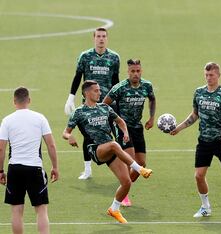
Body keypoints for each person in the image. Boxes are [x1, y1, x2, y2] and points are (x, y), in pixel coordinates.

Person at [63, 80, 152, 224]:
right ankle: (140, 169)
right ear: (86, 93)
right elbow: (65, 132)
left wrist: (125, 132)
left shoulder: (105, 108)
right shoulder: (78, 112)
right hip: (95, 149)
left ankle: (114, 209)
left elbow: (120, 121)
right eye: (96, 90)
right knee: (114, 145)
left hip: (110, 149)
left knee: (127, 182)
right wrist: (70, 137)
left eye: (99, 90)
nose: (99, 93)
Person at [171, 62, 221, 219]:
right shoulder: (199, 92)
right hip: (204, 141)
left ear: (218, 75)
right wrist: (179, 128)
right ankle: (205, 207)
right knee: (199, 175)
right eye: (206, 75)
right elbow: (194, 115)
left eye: (211, 75)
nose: (208, 78)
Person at [0, 87, 59, 234]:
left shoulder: (7, 120)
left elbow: (1, 149)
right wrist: (55, 167)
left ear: (14, 101)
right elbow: (51, 144)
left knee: (16, 210)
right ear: (29, 100)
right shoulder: (40, 118)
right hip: (35, 169)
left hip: (15, 169)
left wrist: (0, 170)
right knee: (41, 210)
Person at [64, 27, 120, 180]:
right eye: (98, 36)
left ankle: (121, 167)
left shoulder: (114, 57)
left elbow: (116, 81)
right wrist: (71, 97)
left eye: (103, 36)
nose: (101, 39)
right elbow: (77, 77)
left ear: (107, 38)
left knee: (115, 135)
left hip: (108, 103)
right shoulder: (85, 56)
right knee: (88, 136)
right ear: (94, 38)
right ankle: (87, 169)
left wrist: (118, 101)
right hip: (88, 104)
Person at [103, 59, 156, 206]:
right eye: (133, 71)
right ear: (128, 72)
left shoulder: (146, 85)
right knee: (130, 160)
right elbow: (104, 104)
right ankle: (123, 195)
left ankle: (124, 187)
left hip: (137, 127)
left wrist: (151, 118)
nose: (135, 74)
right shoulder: (119, 88)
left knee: (141, 163)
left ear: (141, 71)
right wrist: (113, 120)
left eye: (138, 71)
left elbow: (152, 99)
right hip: (123, 127)